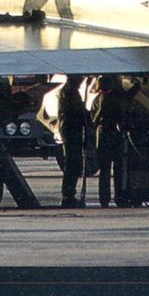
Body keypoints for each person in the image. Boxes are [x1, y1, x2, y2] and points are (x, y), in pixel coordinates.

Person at [90, 75, 138, 207]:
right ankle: (119, 196)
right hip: (112, 134)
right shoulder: (111, 98)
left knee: (105, 170)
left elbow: (93, 118)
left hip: (103, 135)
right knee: (117, 168)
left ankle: (105, 198)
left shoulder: (96, 100)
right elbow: (128, 96)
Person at [57, 75, 87, 208]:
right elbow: (76, 110)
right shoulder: (69, 91)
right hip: (71, 130)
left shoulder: (69, 90)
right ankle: (68, 195)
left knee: (73, 163)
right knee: (72, 163)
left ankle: (69, 194)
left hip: (71, 130)